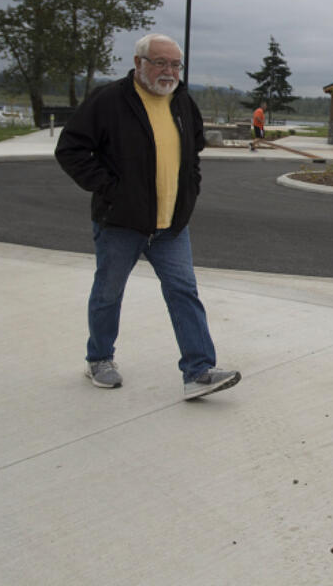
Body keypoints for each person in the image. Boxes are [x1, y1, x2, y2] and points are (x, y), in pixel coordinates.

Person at [55, 33, 242, 400]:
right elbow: (70, 149)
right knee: (108, 292)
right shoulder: (109, 101)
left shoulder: (183, 103)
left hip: (171, 225)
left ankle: (199, 371)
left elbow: (194, 155)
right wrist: (110, 189)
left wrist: (191, 190)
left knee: (184, 291)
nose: (168, 71)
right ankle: (100, 359)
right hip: (121, 222)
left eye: (175, 64)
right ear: (139, 63)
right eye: (160, 62)